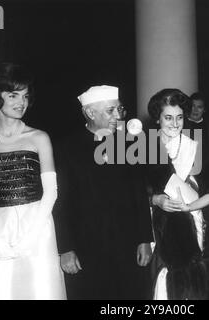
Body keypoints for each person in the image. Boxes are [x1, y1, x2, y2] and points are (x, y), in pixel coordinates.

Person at [0, 62, 66, 300]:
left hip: (37, 229)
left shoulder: (39, 138)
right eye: (13, 95)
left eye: (25, 96)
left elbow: (51, 192)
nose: (21, 102)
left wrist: (30, 238)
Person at [55, 85, 153, 299]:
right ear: (90, 113)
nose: (118, 116)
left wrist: (145, 239)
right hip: (85, 246)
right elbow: (61, 202)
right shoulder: (66, 148)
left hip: (127, 243)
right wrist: (65, 248)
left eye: (120, 109)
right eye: (111, 111)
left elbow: (138, 192)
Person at [145, 88, 209, 300]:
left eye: (179, 117)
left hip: (201, 231)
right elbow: (134, 195)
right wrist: (156, 200)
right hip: (163, 234)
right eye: (168, 117)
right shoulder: (144, 149)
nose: (174, 124)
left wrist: (190, 207)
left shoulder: (198, 147)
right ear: (157, 119)